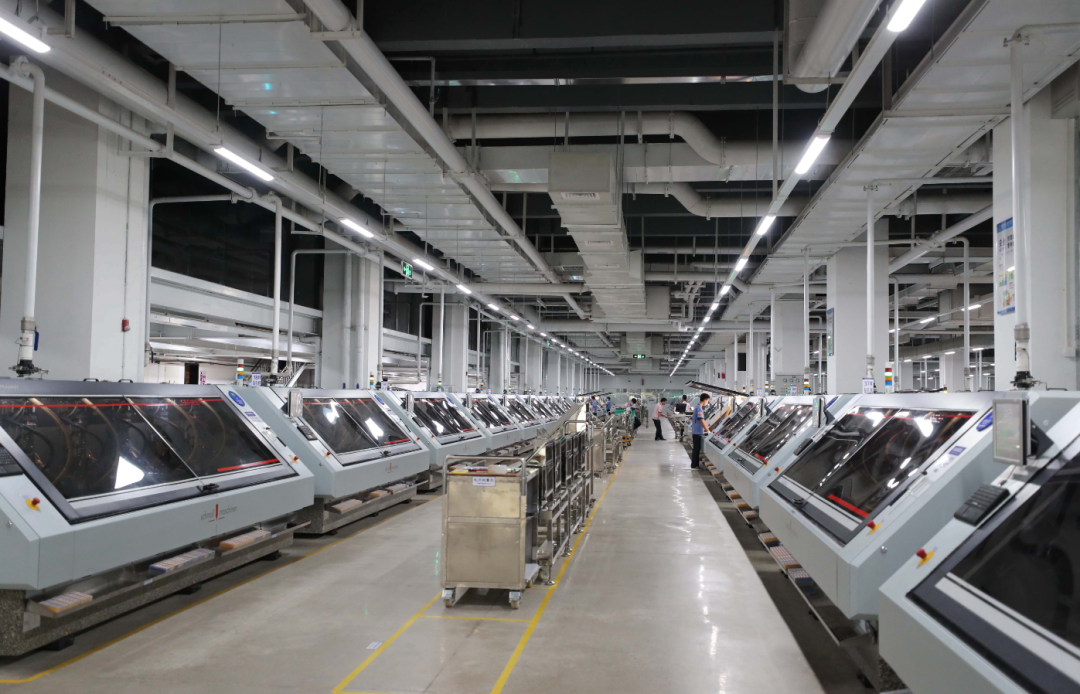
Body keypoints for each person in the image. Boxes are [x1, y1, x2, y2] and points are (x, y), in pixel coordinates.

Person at [690, 393, 712, 469]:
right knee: (696, 449)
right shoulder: (699, 408)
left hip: (697, 431)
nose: (708, 401)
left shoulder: (698, 407)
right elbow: (702, 420)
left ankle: (695, 464)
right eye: (708, 400)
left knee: (696, 449)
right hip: (697, 432)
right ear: (705, 400)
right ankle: (694, 465)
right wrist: (708, 430)